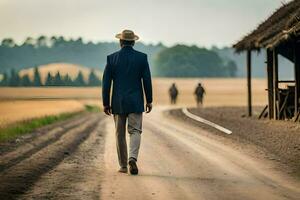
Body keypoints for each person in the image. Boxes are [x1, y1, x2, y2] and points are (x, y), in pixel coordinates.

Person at [102, 30, 153, 175]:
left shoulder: (112, 59)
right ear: (134, 42)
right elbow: (147, 81)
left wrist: (106, 103)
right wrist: (149, 100)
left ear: (120, 42)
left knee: (119, 134)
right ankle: (133, 158)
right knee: (135, 131)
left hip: (118, 102)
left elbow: (106, 83)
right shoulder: (142, 58)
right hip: (136, 101)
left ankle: (123, 166)